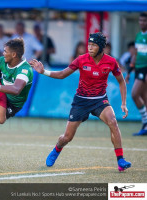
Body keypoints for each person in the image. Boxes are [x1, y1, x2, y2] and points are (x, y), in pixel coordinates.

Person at [29, 32, 131, 172]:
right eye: (89, 44)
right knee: (67, 137)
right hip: (81, 101)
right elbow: (62, 74)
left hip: (100, 100)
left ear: (101, 47)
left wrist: (123, 103)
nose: (89, 47)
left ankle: (120, 160)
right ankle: (57, 149)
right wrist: (43, 72)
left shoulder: (111, 62)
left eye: (93, 45)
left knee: (113, 121)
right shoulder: (81, 59)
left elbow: (121, 82)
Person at [130, 12, 147, 136]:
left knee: (135, 93)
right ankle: (146, 124)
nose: (142, 23)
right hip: (138, 68)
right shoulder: (138, 36)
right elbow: (135, 55)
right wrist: (130, 70)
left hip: (146, 69)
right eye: (140, 20)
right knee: (141, 95)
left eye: (144, 21)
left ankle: (145, 123)